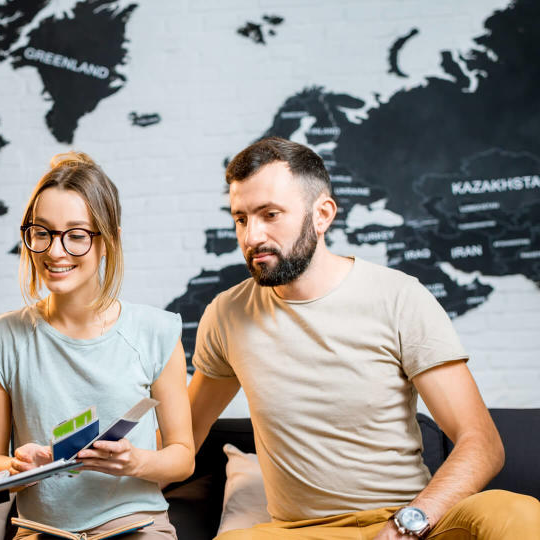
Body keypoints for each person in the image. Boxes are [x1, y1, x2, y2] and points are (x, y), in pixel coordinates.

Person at [188, 136, 540, 539]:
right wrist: (115, 459)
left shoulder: (399, 297)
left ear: (322, 215)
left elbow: (483, 443)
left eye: (270, 214)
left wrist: (408, 524)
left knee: (515, 512)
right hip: (302, 532)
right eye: (241, 218)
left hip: (413, 522)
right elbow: (183, 440)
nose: (251, 237)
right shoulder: (226, 314)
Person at [0, 152, 195, 539]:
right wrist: (13, 468)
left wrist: (134, 462)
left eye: (76, 235)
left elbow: (182, 457)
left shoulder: (157, 332)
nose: (55, 252)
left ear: (108, 241)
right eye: (42, 233)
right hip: (42, 531)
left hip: (135, 525)